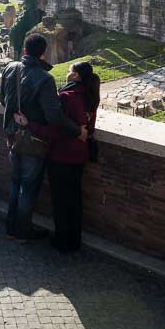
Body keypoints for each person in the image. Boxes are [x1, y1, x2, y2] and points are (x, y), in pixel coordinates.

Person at [0, 33, 86, 242]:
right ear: (43, 53)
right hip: (33, 140)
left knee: (15, 182)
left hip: (12, 135)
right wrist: (77, 131)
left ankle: (11, 229)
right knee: (28, 187)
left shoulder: (10, 68)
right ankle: (22, 232)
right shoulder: (45, 79)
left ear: (24, 50)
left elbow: (4, 100)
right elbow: (54, 117)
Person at [16, 61, 100, 253]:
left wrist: (29, 124)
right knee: (75, 199)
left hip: (61, 155)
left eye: (70, 71)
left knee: (61, 201)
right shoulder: (91, 96)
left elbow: (54, 129)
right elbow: (88, 127)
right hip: (80, 155)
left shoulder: (66, 97)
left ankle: (62, 241)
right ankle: (74, 240)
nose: (68, 74)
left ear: (76, 76)